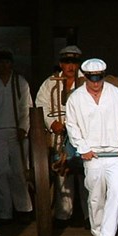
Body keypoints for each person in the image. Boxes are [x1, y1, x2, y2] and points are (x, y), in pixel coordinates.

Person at [65, 58, 118, 236]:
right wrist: (83, 148)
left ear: (104, 76)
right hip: (92, 154)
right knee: (95, 195)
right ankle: (97, 232)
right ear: (85, 77)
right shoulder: (75, 98)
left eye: (99, 78)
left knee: (116, 193)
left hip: (116, 153)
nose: (96, 83)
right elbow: (72, 125)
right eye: (92, 78)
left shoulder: (117, 95)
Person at [35, 45, 89, 226]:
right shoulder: (50, 82)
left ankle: (89, 217)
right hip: (60, 135)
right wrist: (51, 123)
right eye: (67, 62)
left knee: (86, 174)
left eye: (74, 62)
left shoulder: (87, 80)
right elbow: (40, 104)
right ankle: (63, 215)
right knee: (62, 173)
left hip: (83, 135)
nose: (70, 66)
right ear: (61, 63)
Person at [0, 48, 33, 223]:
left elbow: (27, 107)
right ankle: (4, 213)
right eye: (1, 62)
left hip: (16, 131)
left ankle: (23, 209)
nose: (4, 66)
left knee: (19, 172)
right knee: (0, 173)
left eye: (7, 62)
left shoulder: (19, 81)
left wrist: (24, 128)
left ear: (11, 64)